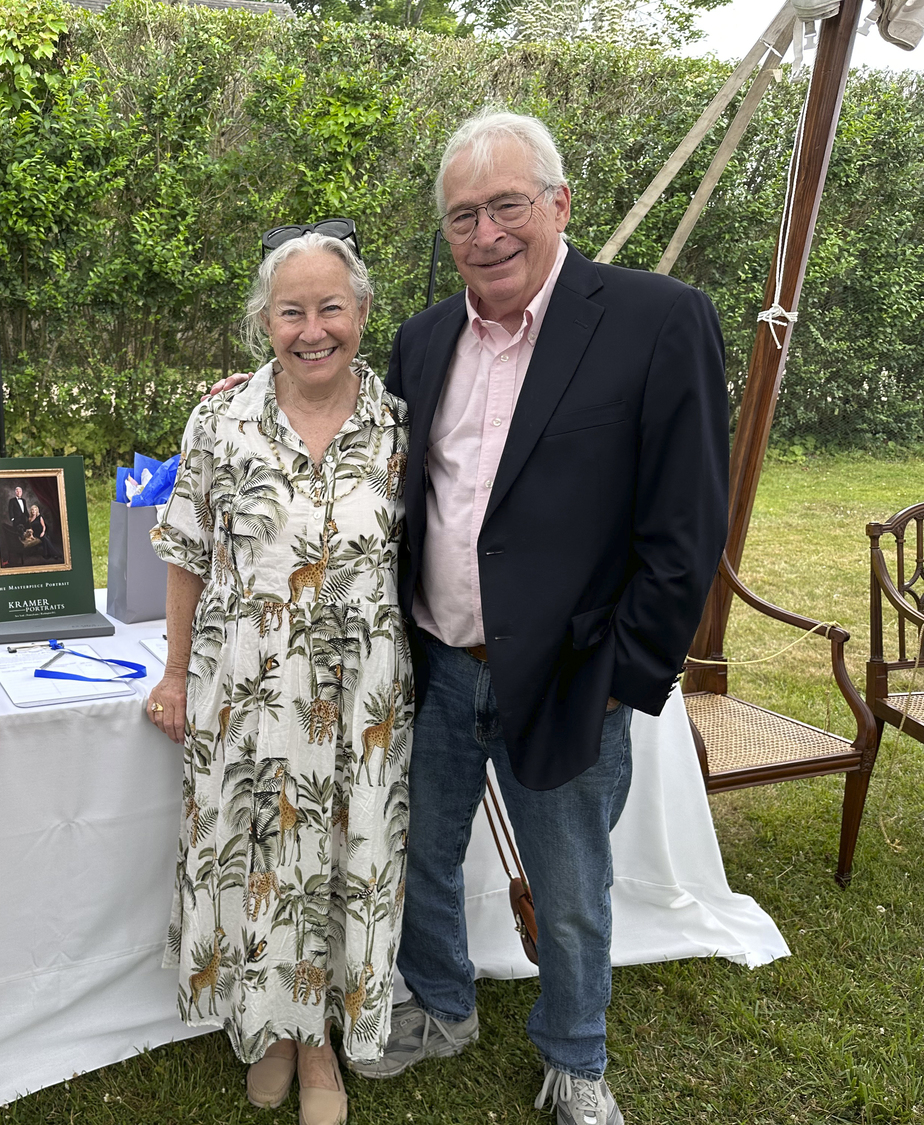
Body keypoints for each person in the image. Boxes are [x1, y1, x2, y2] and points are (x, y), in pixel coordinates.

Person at [358, 112, 727, 1125]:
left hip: (572, 674)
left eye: (508, 206)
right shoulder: (425, 337)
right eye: (464, 215)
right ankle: (439, 1003)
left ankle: (576, 1057)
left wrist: (625, 675)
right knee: (422, 856)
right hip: (437, 664)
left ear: (560, 205)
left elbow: (689, 521)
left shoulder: (657, 319)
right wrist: (258, 397)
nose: (487, 234)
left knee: (569, 890)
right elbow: (380, 472)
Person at [146, 227, 412, 1125]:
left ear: (362, 313)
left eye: (330, 307)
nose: (312, 329)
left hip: (361, 688)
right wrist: (176, 675)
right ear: (264, 320)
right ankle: (267, 1026)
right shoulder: (219, 419)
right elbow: (185, 551)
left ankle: (321, 1047)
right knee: (260, 857)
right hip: (248, 683)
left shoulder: (399, 422)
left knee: (339, 859)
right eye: (290, 310)